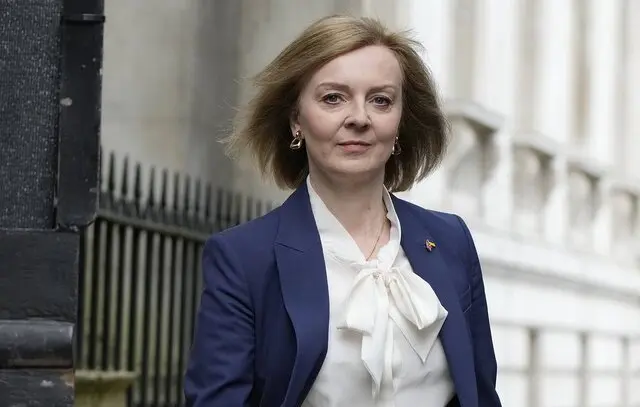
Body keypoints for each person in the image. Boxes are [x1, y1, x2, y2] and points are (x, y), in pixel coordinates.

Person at [184, 14, 502, 407]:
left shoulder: (452, 241)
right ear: (296, 120)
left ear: (400, 122)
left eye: (381, 100)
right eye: (333, 98)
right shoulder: (243, 258)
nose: (359, 118)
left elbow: (481, 394)